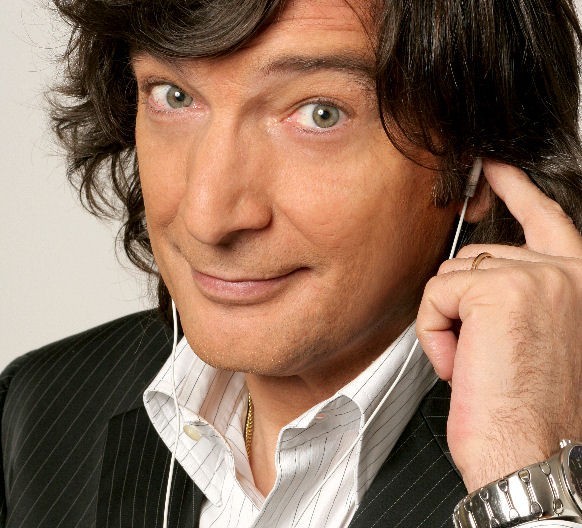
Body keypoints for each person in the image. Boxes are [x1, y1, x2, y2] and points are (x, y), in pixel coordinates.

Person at [2, 0, 581, 526]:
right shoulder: (39, 408)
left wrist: (524, 471)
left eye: (321, 114)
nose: (208, 216)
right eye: (174, 96)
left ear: (478, 162)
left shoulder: (542, 441)